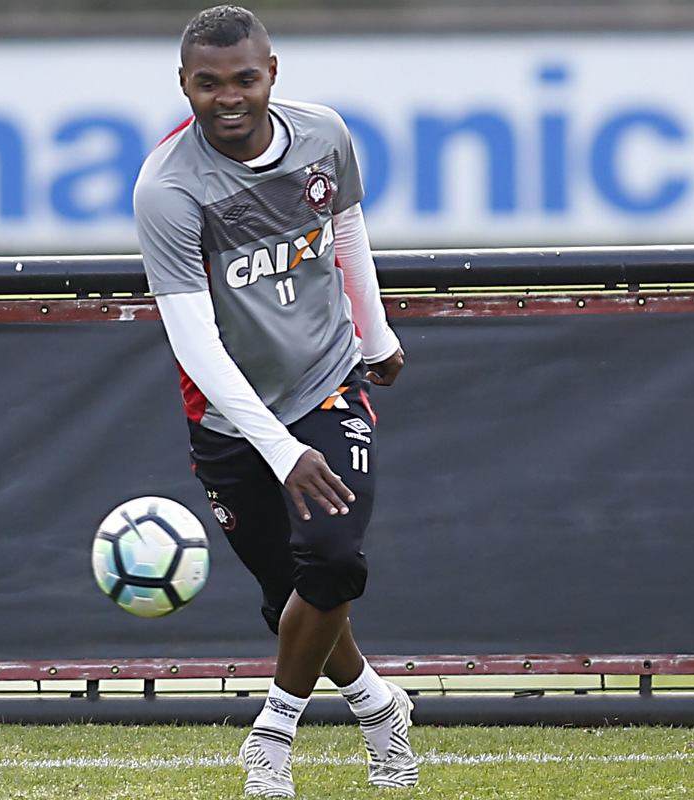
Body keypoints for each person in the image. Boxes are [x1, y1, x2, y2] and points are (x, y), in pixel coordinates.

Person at [133, 5, 417, 796]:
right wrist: (281, 450)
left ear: (272, 73)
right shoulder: (168, 189)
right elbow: (196, 345)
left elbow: (346, 228)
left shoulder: (324, 134)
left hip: (327, 384)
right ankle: (379, 708)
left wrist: (375, 335)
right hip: (228, 418)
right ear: (183, 84)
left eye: (245, 79)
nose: (229, 98)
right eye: (208, 83)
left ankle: (272, 738)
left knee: (333, 560)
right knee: (290, 599)